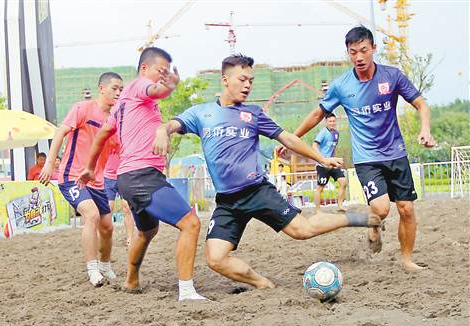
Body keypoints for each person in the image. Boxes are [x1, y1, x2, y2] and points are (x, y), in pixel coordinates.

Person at [153, 54, 381, 289]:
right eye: (242, 79)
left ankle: (355, 218)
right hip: (227, 201)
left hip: (256, 191)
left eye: (251, 80)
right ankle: (264, 285)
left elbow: (289, 139)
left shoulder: (253, 114)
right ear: (225, 79)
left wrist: (321, 158)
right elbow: (172, 124)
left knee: (302, 231)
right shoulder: (201, 113)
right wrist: (163, 131)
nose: (248, 85)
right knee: (216, 258)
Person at [291, 26, 435, 272]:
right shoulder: (341, 86)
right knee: (380, 209)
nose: (358, 57)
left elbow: (421, 104)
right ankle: (374, 226)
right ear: (348, 53)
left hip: (396, 153)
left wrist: (425, 129)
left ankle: (407, 259)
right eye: (353, 52)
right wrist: (291, 138)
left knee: (407, 209)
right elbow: (318, 114)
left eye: (363, 51)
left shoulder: (392, 76)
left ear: (373, 49)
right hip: (367, 158)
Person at [79, 47, 205, 301]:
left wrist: (90, 167)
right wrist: (169, 86)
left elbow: (103, 134)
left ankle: (131, 281)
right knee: (191, 224)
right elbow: (156, 90)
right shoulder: (138, 86)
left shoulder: (122, 105)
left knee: (147, 231)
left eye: (167, 72)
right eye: (161, 71)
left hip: (129, 177)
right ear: (144, 69)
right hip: (141, 176)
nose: (164, 75)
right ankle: (187, 291)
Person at [40, 72, 124, 287]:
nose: (118, 93)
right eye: (115, 88)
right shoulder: (83, 108)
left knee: (108, 227)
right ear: (101, 89)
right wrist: (50, 163)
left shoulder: (115, 121)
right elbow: (60, 133)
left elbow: (119, 150)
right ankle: (93, 269)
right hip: (72, 177)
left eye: (121, 90)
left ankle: (105, 266)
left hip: (98, 181)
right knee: (92, 215)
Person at [313, 113, 348, 212]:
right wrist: (322, 159)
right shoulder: (323, 133)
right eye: (330, 121)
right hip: (322, 165)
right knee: (320, 187)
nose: (332, 123)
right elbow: (314, 146)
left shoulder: (336, 133)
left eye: (333, 121)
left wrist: (334, 160)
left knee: (343, 182)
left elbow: (333, 148)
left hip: (332, 163)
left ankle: (340, 206)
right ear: (326, 122)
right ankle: (317, 210)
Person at [103, 138, 135, 247]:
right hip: (108, 176)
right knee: (108, 208)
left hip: (124, 174)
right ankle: (105, 238)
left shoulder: (126, 133)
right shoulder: (107, 134)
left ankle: (130, 239)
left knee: (127, 208)